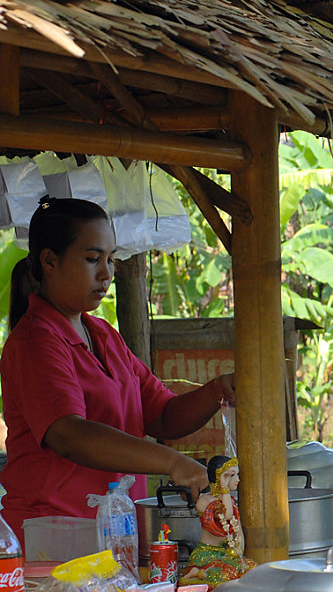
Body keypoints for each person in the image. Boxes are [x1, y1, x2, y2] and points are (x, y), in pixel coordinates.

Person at [0, 196, 235, 545]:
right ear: (49, 260)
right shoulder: (35, 340)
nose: (106, 273)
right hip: (53, 538)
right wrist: (173, 463)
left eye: (111, 260)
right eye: (92, 259)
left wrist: (219, 389)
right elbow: (68, 434)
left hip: (113, 535)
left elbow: (163, 417)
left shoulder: (103, 336)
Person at [182, 455, 254, 587]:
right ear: (219, 476)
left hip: (225, 553)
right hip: (207, 554)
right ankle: (197, 572)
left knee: (252, 569)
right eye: (231, 475)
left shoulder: (230, 502)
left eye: (237, 474)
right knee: (226, 575)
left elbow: (237, 529)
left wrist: (238, 553)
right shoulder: (204, 501)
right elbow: (226, 515)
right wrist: (224, 488)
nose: (237, 479)